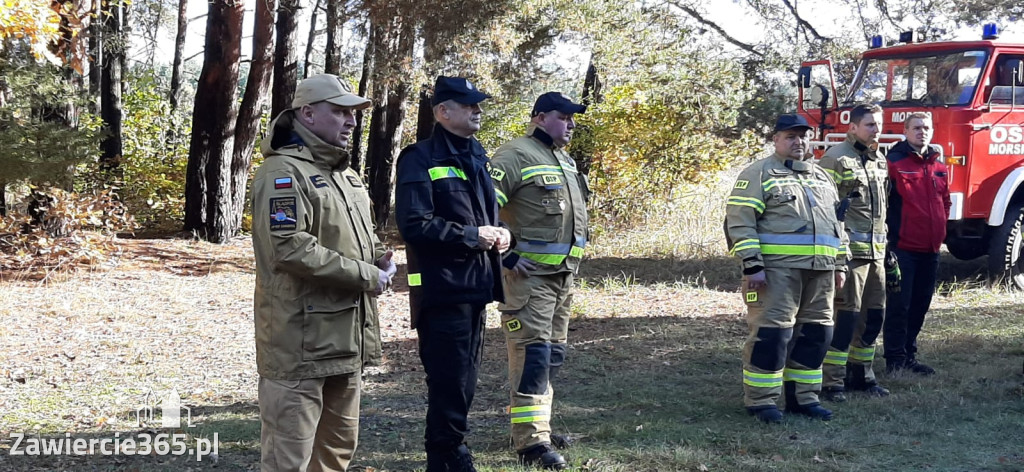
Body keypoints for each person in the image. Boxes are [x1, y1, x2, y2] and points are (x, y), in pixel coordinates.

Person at [251, 74, 396, 472]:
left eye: (353, 114)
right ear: (308, 113)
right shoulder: (281, 173)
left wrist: (381, 257)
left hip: (345, 342)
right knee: (288, 460)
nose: (350, 121)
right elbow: (290, 249)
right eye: (339, 111)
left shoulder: (346, 175)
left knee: (335, 454)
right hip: (299, 344)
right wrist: (368, 276)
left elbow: (356, 236)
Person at [395, 76, 511, 472]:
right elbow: (414, 224)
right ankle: (447, 457)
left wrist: (501, 236)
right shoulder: (420, 158)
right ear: (443, 112)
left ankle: (451, 452)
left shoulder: (477, 154)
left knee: (465, 380)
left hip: (476, 287)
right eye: (468, 104)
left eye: (478, 104)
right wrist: (470, 235)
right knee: (449, 381)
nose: (477, 110)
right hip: (442, 290)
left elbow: (483, 217)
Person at [725, 113, 847, 424]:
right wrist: (752, 266)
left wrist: (840, 263)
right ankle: (761, 402)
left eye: (803, 135)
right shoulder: (758, 173)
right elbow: (739, 222)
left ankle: (804, 398)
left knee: (817, 334)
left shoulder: (823, 178)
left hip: (821, 272)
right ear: (776, 139)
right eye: (790, 136)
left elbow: (838, 225)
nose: (798, 141)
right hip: (776, 273)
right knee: (772, 336)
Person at [489, 92, 589, 470]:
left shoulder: (564, 159)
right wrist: (507, 255)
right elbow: (485, 208)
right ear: (540, 117)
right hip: (527, 280)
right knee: (532, 356)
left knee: (553, 356)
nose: (571, 124)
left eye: (572, 118)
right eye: (564, 117)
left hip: (562, 278)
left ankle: (539, 427)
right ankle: (531, 444)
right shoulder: (514, 155)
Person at [817, 104, 891, 402]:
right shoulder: (835, 159)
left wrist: (890, 251)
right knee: (845, 319)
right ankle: (833, 382)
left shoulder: (879, 160)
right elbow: (824, 210)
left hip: (878, 254)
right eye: (870, 125)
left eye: (878, 124)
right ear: (853, 127)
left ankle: (862, 374)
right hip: (850, 256)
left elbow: (885, 209)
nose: (876, 130)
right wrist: (835, 256)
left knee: (874, 318)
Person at [884, 112, 950, 375]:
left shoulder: (938, 163)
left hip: (931, 249)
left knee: (921, 304)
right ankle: (895, 359)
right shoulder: (894, 161)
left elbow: (944, 201)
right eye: (916, 128)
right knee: (900, 306)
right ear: (906, 131)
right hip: (903, 248)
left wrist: (942, 230)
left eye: (926, 128)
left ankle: (910, 355)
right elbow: (886, 204)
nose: (922, 132)